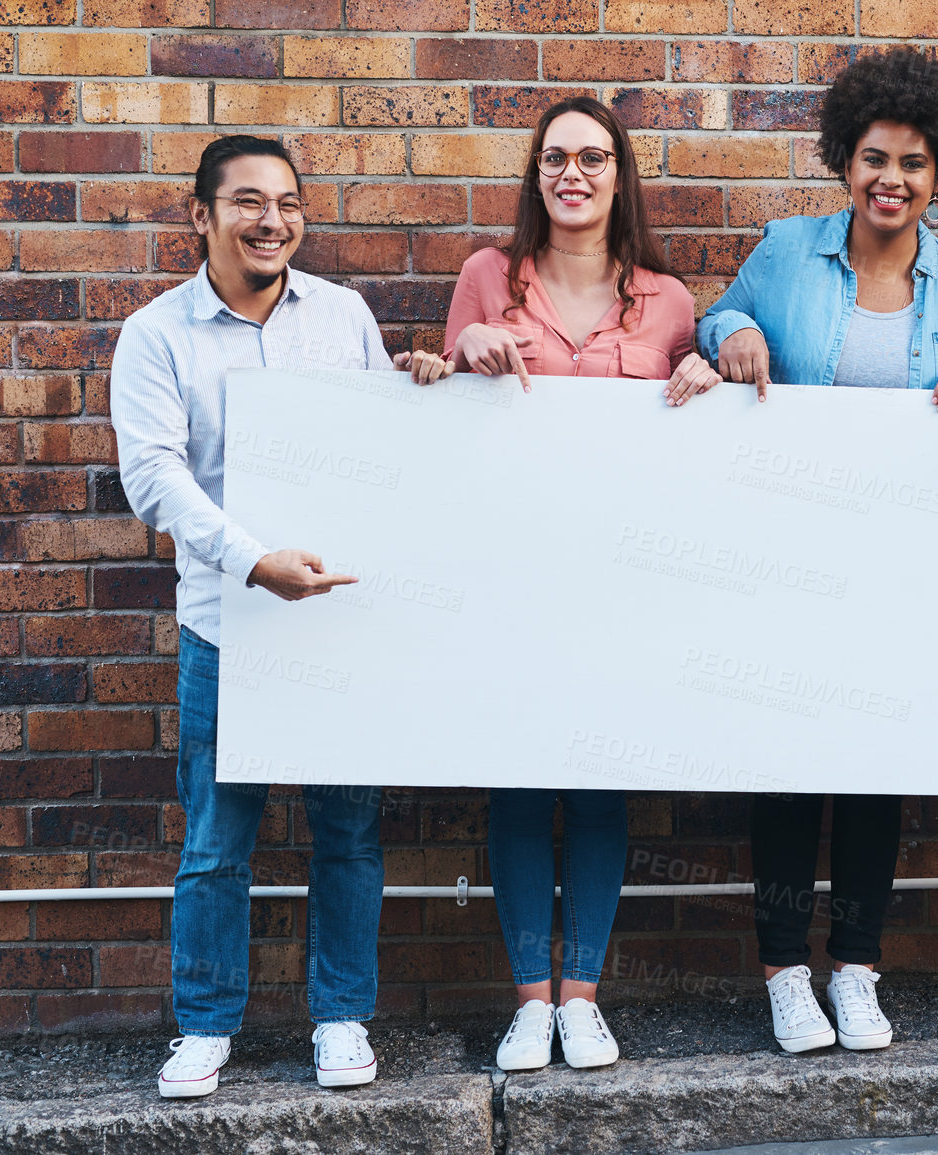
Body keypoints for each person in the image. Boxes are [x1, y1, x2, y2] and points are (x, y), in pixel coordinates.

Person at [110, 134, 447, 1098]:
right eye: (249, 202)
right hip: (229, 619)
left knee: (348, 834)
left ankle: (341, 1018)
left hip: (337, 620)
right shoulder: (158, 334)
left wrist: (413, 386)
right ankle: (206, 1025)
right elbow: (153, 476)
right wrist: (252, 562)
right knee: (217, 841)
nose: (273, 221)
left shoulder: (341, 315)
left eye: (290, 203)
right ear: (201, 215)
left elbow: (371, 449)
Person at [697, 47, 938, 1055]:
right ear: (845, 160)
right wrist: (734, 333)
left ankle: (856, 969)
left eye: (913, 163)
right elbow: (717, 316)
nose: (891, 180)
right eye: (874, 158)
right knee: (786, 768)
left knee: (875, 768)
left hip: (898, 565)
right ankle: (785, 973)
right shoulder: (787, 248)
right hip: (787, 555)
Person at [436, 96, 721, 1073]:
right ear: (536, 173)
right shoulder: (488, 277)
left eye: (594, 158)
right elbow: (441, 416)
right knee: (519, 782)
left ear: (618, 175)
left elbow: (697, 444)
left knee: (599, 786)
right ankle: (529, 1000)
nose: (574, 174)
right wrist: (461, 351)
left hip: (622, 579)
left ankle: (584, 996)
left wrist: (710, 385)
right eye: (557, 157)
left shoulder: (670, 301)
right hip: (511, 569)